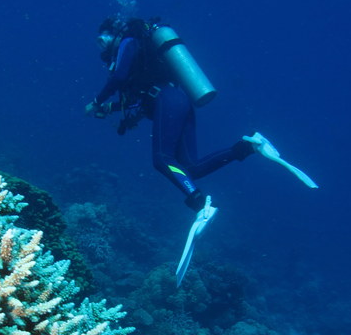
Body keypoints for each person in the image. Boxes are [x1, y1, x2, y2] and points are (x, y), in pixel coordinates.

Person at [85, 17, 318, 284]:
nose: (100, 45)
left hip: (167, 99)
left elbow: (119, 77)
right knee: (191, 167)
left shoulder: (128, 41)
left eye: (101, 38)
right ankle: (250, 146)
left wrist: (96, 102)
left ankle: (199, 204)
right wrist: (111, 109)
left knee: (162, 159)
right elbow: (138, 101)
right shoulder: (142, 57)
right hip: (178, 99)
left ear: (112, 34)